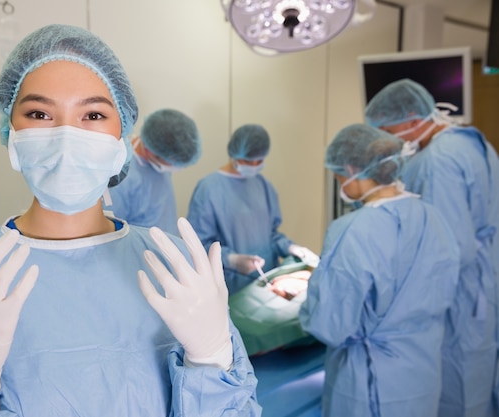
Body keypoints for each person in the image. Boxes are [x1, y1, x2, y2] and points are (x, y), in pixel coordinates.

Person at [0, 24, 261, 416]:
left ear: (121, 137)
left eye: (92, 114)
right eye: (39, 113)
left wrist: (211, 360)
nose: (65, 136)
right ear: (11, 132)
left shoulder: (178, 273)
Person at [299, 123, 460, 417]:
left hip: (371, 383)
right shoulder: (433, 217)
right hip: (423, 374)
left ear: (350, 169)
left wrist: (309, 297)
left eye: (338, 174)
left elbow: (330, 325)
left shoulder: (353, 230)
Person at [365, 78, 499, 417]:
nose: (390, 139)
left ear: (412, 118)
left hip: (461, 292)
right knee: (480, 371)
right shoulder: (472, 141)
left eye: (390, 129)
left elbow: (451, 249)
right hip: (485, 277)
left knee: (460, 377)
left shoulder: (438, 161)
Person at [187, 124, 318, 295]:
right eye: (248, 161)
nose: (254, 165)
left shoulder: (263, 185)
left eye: (259, 161)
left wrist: (290, 248)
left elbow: (271, 234)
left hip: (268, 283)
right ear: (234, 153)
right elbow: (197, 245)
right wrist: (232, 260)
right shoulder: (209, 189)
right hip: (229, 288)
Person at [105, 108, 201, 235]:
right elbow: (113, 233)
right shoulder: (120, 176)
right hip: (139, 252)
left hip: (165, 246)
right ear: (151, 152)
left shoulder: (160, 163)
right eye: (173, 162)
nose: (176, 167)